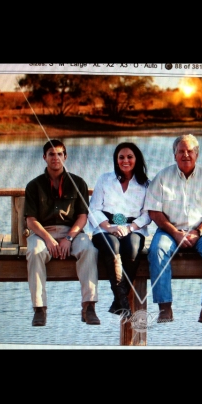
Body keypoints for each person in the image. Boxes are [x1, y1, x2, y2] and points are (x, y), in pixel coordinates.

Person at [144, 134, 202, 324]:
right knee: (157, 249)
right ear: (174, 155)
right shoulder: (163, 177)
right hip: (169, 230)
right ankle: (165, 308)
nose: (186, 155)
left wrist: (198, 232)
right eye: (181, 151)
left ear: (197, 154)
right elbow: (154, 212)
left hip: (201, 231)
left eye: (190, 151)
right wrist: (174, 232)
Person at [24, 139, 100, 327]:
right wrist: (48, 239)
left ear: (65, 157)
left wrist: (68, 238)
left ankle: (88, 306)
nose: (55, 158)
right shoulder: (34, 185)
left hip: (72, 232)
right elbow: (31, 220)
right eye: (51, 154)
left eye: (59, 154)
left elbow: (82, 216)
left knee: (89, 249)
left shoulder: (78, 182)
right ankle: (39, 309)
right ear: (44, 157)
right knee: (34, 252)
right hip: (44, 233)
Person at [88, 142, 151, 319]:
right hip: (105, 227)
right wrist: (109, 227)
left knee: (131, 250)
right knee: (112, 248)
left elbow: (147, 215)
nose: (125, 160)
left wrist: (130, 227)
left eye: (129, 157)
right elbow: (93, 209)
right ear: (116, 160)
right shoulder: (105, 179)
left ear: (136, 159)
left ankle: (118, 302)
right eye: (121, 157)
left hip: (133, 228)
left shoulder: (146, 184)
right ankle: (122, 301)